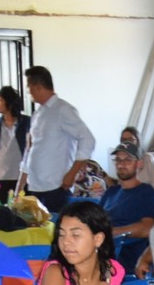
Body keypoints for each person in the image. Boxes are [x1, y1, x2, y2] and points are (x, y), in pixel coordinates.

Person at [17, 65, 96, 214]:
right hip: (34, 187)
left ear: (38, 86)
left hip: (56, 187)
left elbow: (88, 139)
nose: (28, 92)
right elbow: (30, 151)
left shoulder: (63, 109)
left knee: (56, 232)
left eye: (29, 87)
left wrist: (72, 173)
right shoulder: (37, 114)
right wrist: (20, 186)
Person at [97, 143, 154, 274]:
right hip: (102, 250)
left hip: (125, 255)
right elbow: (96, 220)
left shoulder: (146, 192)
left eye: (127, 160)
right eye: (118, 160)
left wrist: (111, 233)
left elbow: (148, 228)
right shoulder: (111, 192)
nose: (121, 164)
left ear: (139, 164)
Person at [0, 86, 31, 201]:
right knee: (3, 214)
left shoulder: (26, 123)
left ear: (9, 102)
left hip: (22, 178)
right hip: (0, 178)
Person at [120, 125, 154, 194]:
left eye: (131, 139)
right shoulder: (120, 162)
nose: (127, 143)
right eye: (124, 140)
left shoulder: (148, 159)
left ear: (138, 141)